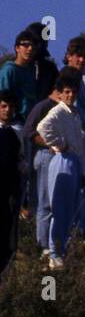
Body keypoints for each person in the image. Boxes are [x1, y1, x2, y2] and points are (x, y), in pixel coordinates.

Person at [35, 70, 85, 268]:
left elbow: (80, 145)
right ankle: (54, 252)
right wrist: (59, 143)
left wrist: (81, 169)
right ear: (60, 93)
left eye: (73, 92)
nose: (70, 96)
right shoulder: (58, 111)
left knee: (71, 207)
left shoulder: (74, 113)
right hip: (62, 159)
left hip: (74, 160)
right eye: (66, 92)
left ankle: (63, 249)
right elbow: (43, 127)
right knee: (59, 208)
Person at [0, 90, 21, 275]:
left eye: (11, 107)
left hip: (10, 191)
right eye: (3, 106)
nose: (7, 110)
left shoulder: (15, 132)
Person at [0, 30, 39, 122]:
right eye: (25, 45)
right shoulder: (9, 70)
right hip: (13, 122)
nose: (30, 49)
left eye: (33, 46)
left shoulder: (32, 71)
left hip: (29, 124)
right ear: (17, 48)